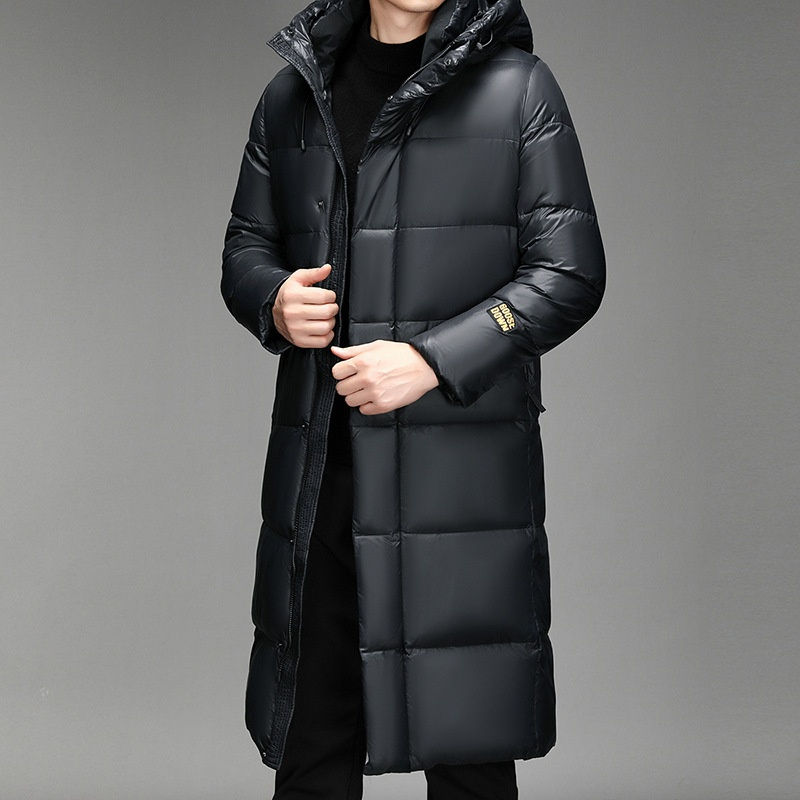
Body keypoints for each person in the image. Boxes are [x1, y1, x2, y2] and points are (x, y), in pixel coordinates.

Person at [220, 0, 606, 798]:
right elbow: (246, 245)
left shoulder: (518, 89)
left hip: (457, 486)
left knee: (468, 751)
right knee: (311, 746)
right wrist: (274, 299)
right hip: (322, 476)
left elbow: (569, 273)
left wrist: (432, 361)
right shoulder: (294, 94)